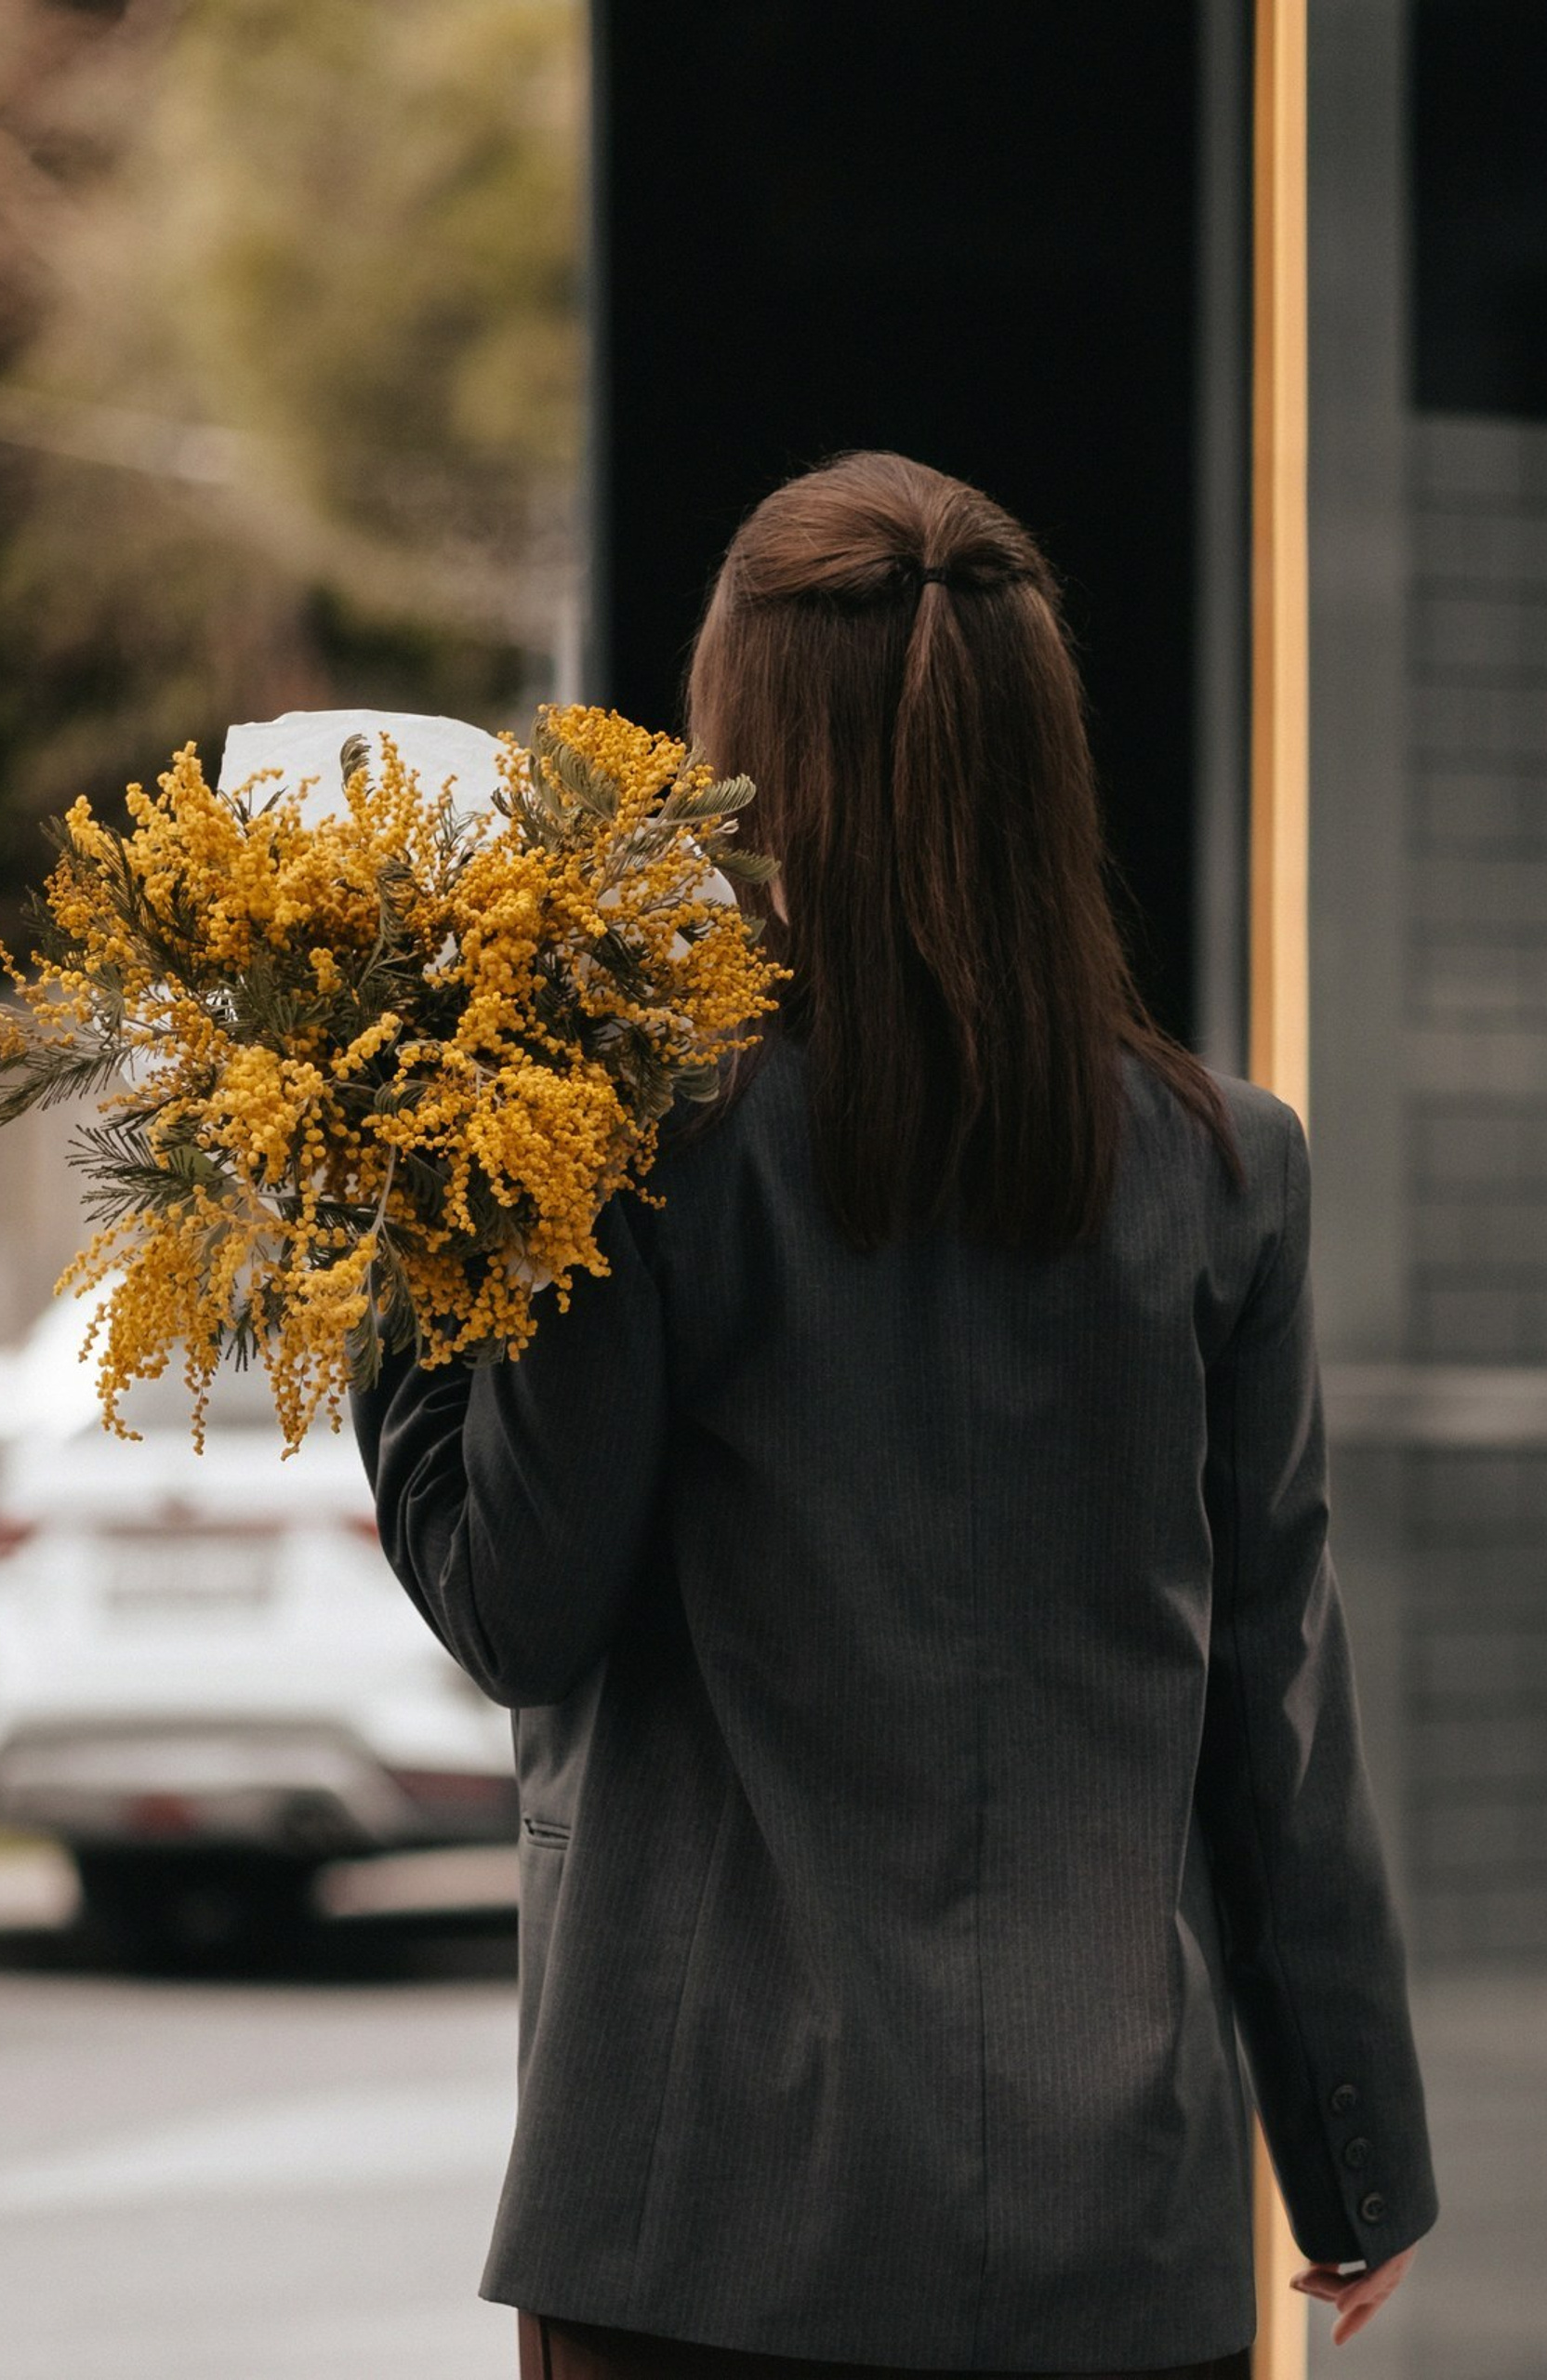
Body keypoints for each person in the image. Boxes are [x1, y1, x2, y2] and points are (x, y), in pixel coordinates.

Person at [357, 451, 1436, 2380]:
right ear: (1042, 765)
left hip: (698, 2232)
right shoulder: (1221, 1165)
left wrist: (421, 1194)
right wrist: (1353, 2155)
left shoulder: (634, 1143)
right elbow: (1272, 1700)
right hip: (1114, 2225)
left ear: (735, 753)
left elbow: (515, 1601)